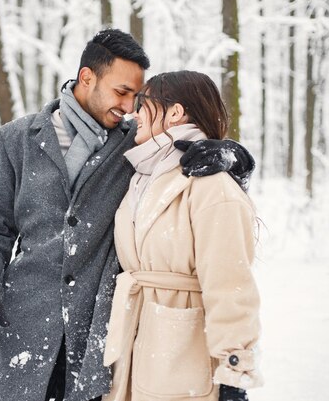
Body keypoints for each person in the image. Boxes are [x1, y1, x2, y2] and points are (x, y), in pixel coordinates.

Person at [0, 29, 255, 401]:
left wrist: (235, 157)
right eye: (121, 92)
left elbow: (189, 150)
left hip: (96, 331)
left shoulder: (136, 142)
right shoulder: (13, 140)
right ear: (87, 78)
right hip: (24, 319)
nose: (131, 106)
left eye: (137, 96)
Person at [102, 70, 263, 401]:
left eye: (143, 103)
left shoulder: (212, 184)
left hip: (183, 357)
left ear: (175, 112)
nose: (133, 112)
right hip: (133, 351)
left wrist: (234, 370)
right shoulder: (140, 175)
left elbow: (230, 284)